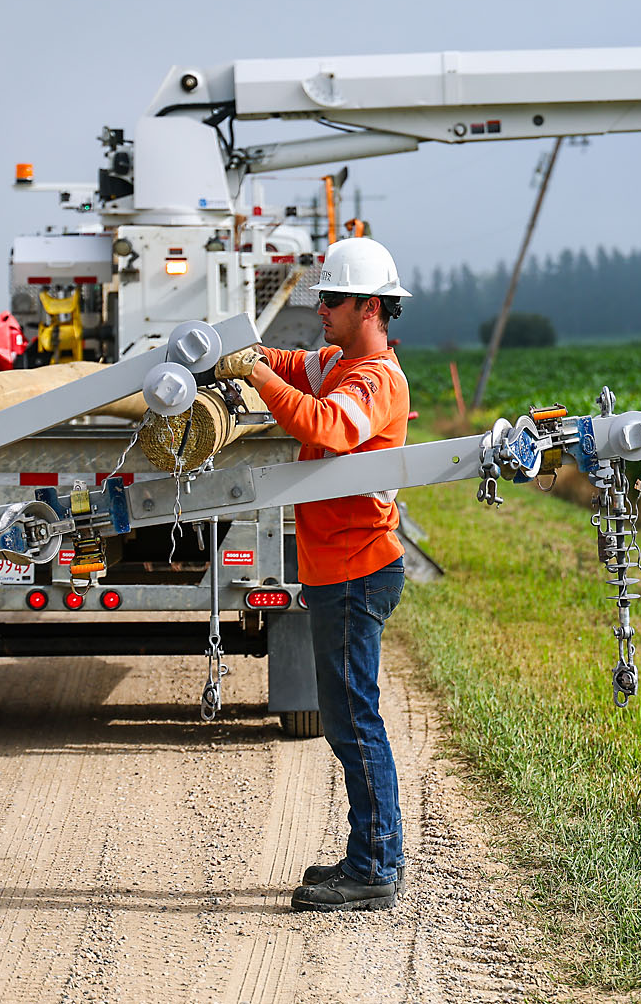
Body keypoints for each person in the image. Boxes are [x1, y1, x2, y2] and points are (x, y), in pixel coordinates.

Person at [216, 236, 412, 912]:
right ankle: (374, 852)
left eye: (330, 299)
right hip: (340, 571)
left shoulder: (376, 381)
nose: (320, 309)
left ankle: (375, 865)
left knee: (353, 718)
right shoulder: (336, 360)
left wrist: (261, 380)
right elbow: (292, 362)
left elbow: (328, 428)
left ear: (368, 307)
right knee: (346, 715)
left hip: (359, 573)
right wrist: (242, 360)